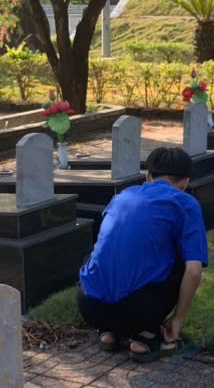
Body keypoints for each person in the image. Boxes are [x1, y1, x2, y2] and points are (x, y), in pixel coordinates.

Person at [77, 146, 207, 362]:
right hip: (138, 311)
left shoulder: (123, 195)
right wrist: (178, 319)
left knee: (100, 256)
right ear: (185, 182)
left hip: (88, 306)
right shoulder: (185, 203)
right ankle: (146, 337)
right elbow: (193, 271)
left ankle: (108, 332)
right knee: (182, 262)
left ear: (148, 176)